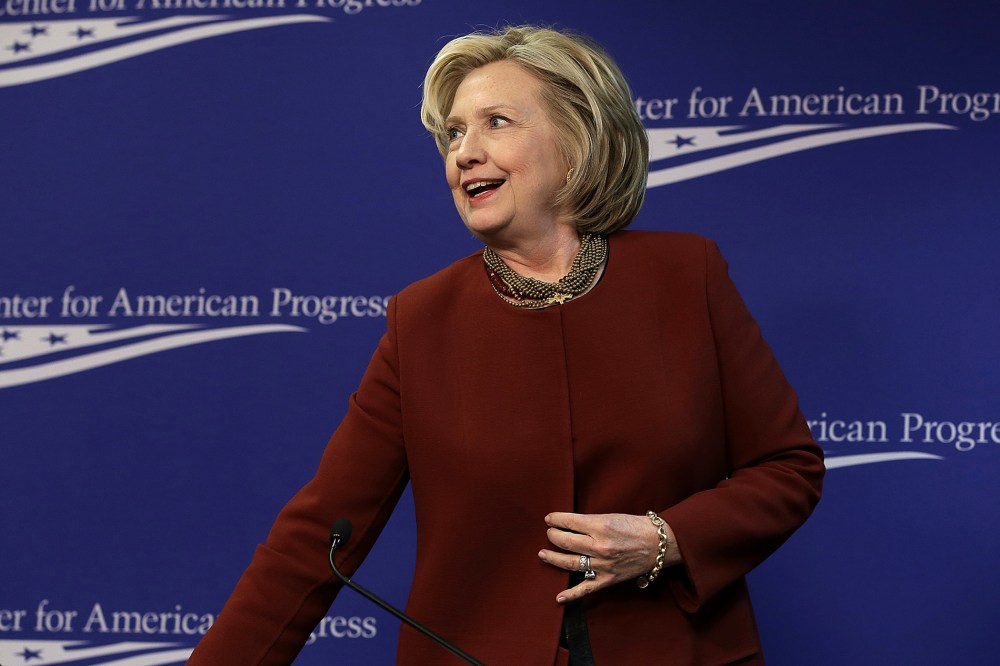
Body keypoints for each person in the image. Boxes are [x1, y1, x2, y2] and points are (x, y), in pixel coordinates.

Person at [188, 25, 824, 666]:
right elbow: (316, 536)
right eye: (454, 133)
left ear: (579, 144)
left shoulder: (687, 276)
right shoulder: (422, 320)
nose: (465, 152)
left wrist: (668, 539)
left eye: (496, 122)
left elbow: (787, 468)